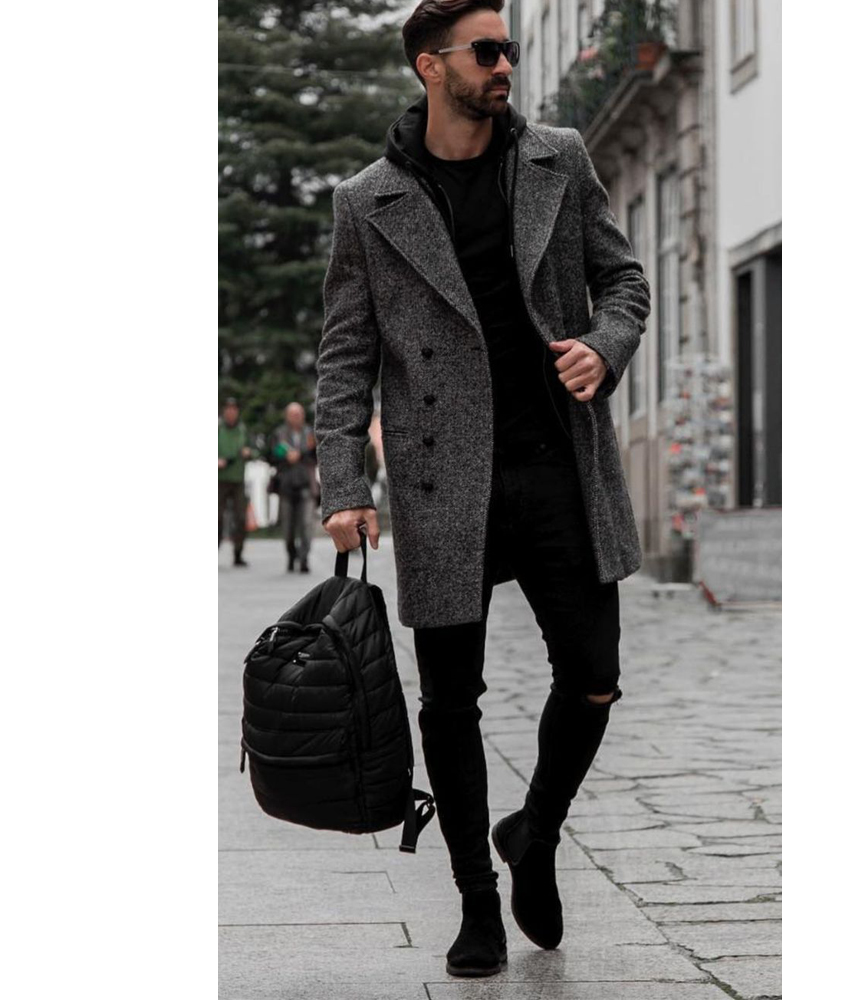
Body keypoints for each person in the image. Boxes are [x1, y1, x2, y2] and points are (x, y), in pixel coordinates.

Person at [314, 0, 650, 979]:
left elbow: (624, 281)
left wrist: (604, 345)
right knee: (449, 701)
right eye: (487, 50)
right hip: (439, 480)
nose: (506, 64)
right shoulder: (367, 201)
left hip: (558, 466)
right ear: (431, 65)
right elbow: (345, 354)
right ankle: (474, 904)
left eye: (509, 48)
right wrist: (343, 481)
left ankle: (534, 830)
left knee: (593, 674)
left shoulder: (557, 158)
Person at [269, 402, 318, 574]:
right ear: (287, 416)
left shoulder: (310, 433)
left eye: (299, 414)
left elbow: (318, 455)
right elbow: (272, 456)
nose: (297, 417)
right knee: (288, 527)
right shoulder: (279, 433)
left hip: (306, 484)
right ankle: (291, 554)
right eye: (293, 414)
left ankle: (304, 558)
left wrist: (302, 453)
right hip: (286, 485)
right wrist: (285, 457)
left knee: (306, 524)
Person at [218, 397, 257, 567]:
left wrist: (249, 453)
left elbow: (255, 450)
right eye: (228, 409)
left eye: (234, 409)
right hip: (219, 480)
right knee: (216, 518)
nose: (231, 413)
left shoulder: (243, 430)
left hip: (238, 479)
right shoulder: (217, 429)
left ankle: (238, 553)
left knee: (241, 517)